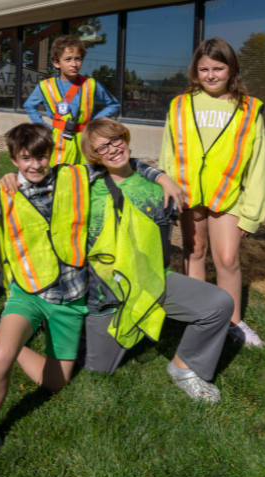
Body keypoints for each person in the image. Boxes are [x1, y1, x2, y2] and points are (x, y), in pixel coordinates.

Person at [0, 122, 184, 477]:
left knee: (57, 383)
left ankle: (0, 340)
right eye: (25, 158)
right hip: (28, 295)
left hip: (71, 299)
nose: (34, 165)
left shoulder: (77, 176)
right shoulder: (0, 193)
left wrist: (161, 179)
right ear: (13, 159)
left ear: (51, 153)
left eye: (41, 156)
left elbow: (122, 162)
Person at [81, 118, 233, 402]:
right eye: (103, 147)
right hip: (106, 293)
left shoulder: (160, 188)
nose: (113, 149)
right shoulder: (83, 186)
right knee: (98, 370)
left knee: (219, 303)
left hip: (151, 282)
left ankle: (184, 368)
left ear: (125, 138)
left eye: (116, 140)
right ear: (94, 156)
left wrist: (160, 176)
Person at [160, 37, 265, 347]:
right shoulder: (180, 104)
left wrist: (252, 214)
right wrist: (167, 190)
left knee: (227, 259)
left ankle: (233, 323)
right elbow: (168, 153)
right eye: (204, 68)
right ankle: (200, 317)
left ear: (231, 69)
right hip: (188, 195)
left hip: (229, 196)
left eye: (218, 68)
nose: (211, 75)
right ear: (195, 70)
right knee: (194, 253)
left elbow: (258, 164)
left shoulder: (249, 108)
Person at [23, 35, 120, 165]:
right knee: (58, 176)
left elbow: (113, 104)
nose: (74, 64)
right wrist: (44, 127)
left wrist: (95, 123)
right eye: (68, 59)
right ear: (56, 62)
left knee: (86, 174)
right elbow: (29, 105)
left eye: (78, 59)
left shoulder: (91, 84)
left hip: (86, 138)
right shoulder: (46, 86)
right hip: (58, 140)